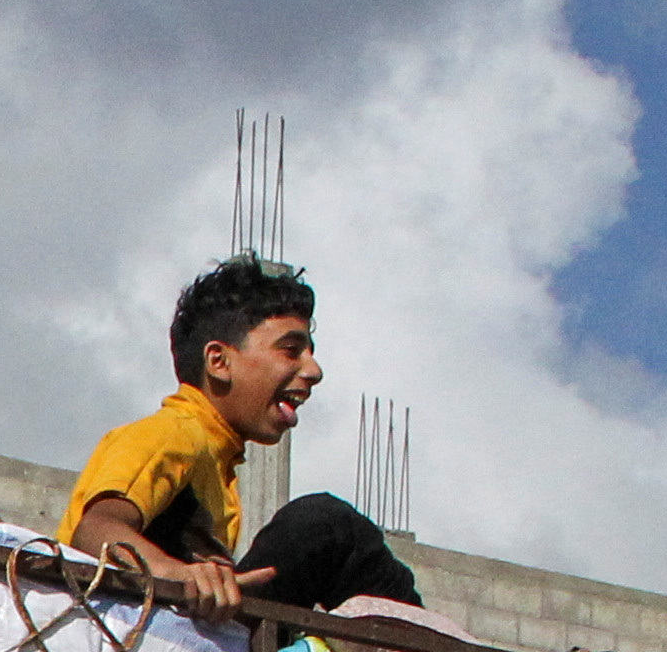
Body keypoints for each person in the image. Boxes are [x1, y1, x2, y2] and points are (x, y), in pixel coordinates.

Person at [61, 254, 421, 624]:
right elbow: (94, 531)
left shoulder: (218, 464)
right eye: (291, 350)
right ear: (219, 362)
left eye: (310, 353)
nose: (314, 371)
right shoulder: (174, 432)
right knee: (325, 525)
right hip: (152, 638)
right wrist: (180, 575)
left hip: (192, 637)